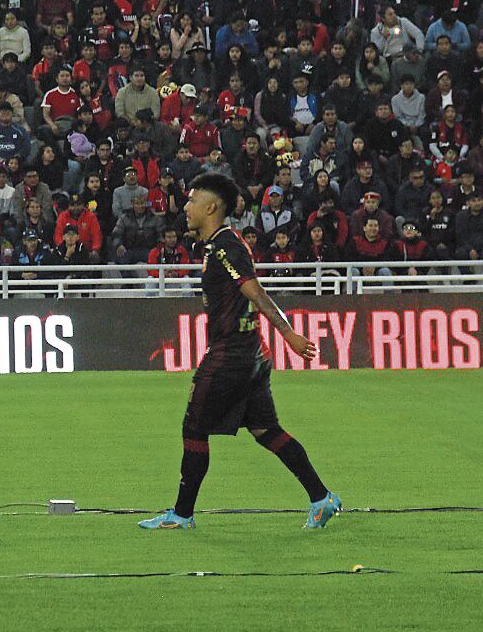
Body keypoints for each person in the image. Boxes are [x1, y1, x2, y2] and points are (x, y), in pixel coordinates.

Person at [137, 173, 340, 531]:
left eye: (192, 200)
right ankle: (321, 499)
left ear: (211, 207)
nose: (185, 207)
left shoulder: (224, 246)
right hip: (250, 355)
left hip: (231, 355)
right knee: (265, 430)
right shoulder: (220, 243)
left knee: (194, 428)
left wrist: (289, 333)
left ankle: (181, 515)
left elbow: (255, 292)